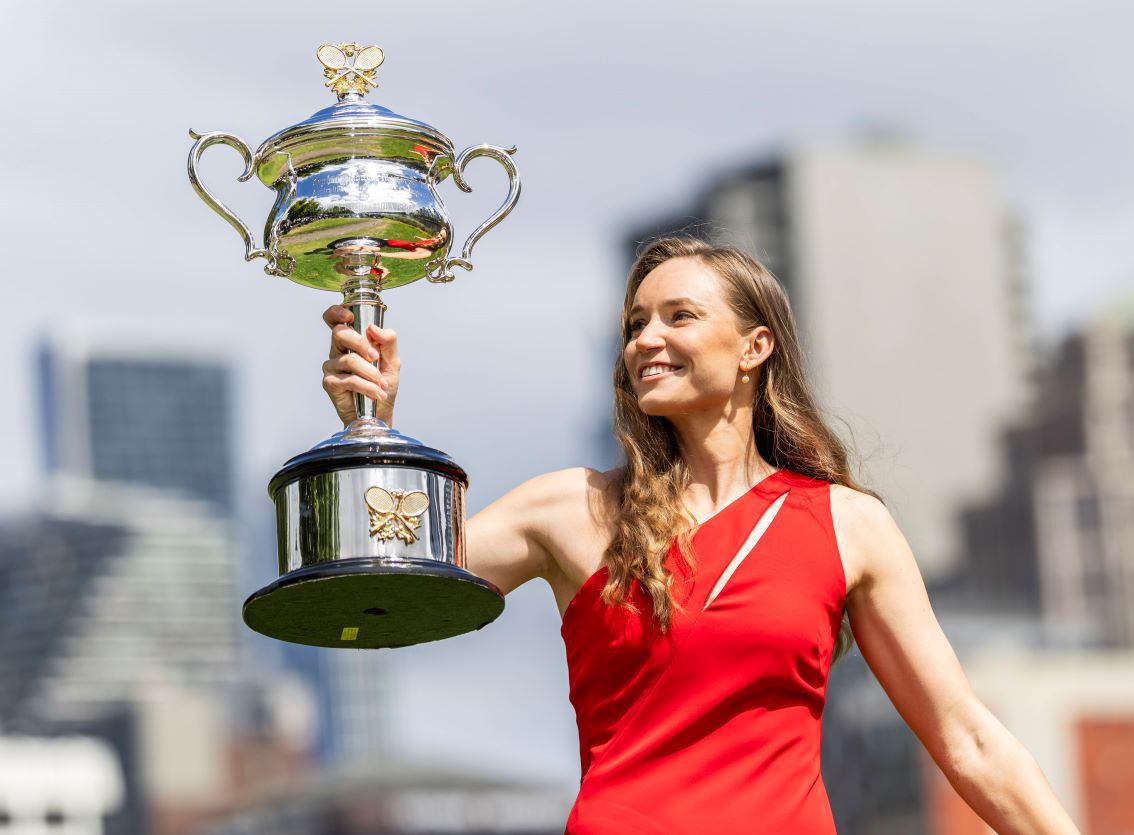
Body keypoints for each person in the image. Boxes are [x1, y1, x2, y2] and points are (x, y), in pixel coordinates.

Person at [320, 237, 1080, 834]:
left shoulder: (849, 524)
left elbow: (968, 737)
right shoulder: (567, 508)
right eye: (635, 324)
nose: (646, 338)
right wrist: (370, 426)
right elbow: (380, 588)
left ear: (754, 348)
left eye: (679, 316)